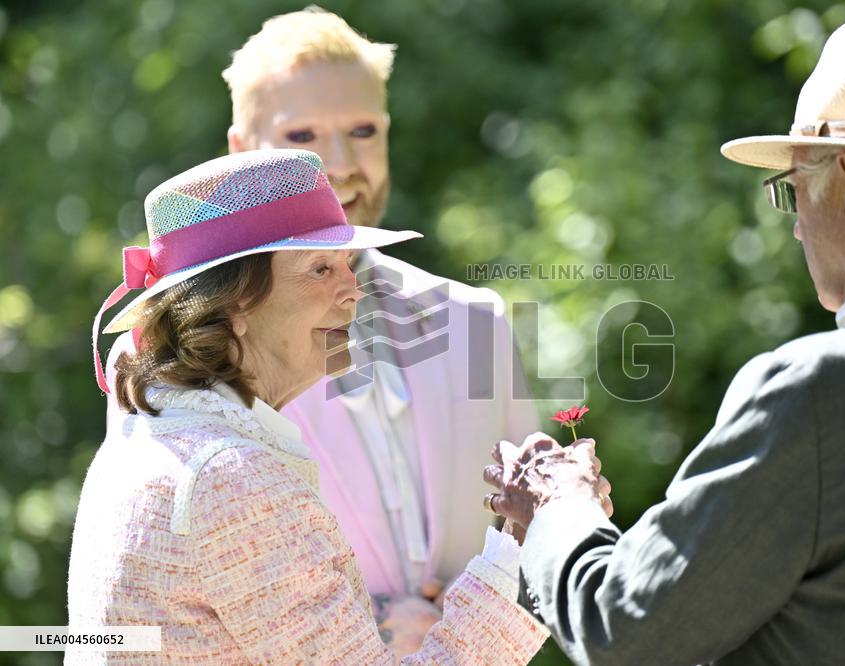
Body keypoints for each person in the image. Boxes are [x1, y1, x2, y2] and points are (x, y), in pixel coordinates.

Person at [484, 20, 845, 665]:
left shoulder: (822, 390)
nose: (796, 232)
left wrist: (561, 505)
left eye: (793, 191)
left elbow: (627, 631)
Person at [71, 149, 548, 663]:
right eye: (321, 268)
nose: (353, 291)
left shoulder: (153, 441)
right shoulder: (231, 479)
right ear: (234, 304)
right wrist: (520, 537)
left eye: (347, 264)